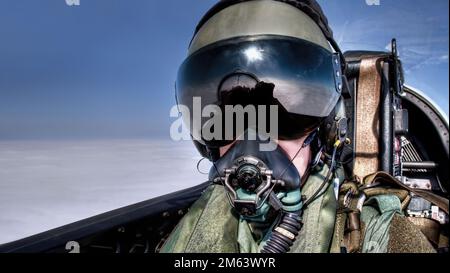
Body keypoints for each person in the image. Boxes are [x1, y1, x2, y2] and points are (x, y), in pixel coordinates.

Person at [161, 0, 447, 253]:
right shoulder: (197, 220)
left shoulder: (372, 230)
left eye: (277, 114)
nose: (253, 139)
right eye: (228, 119)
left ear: (328, 127)